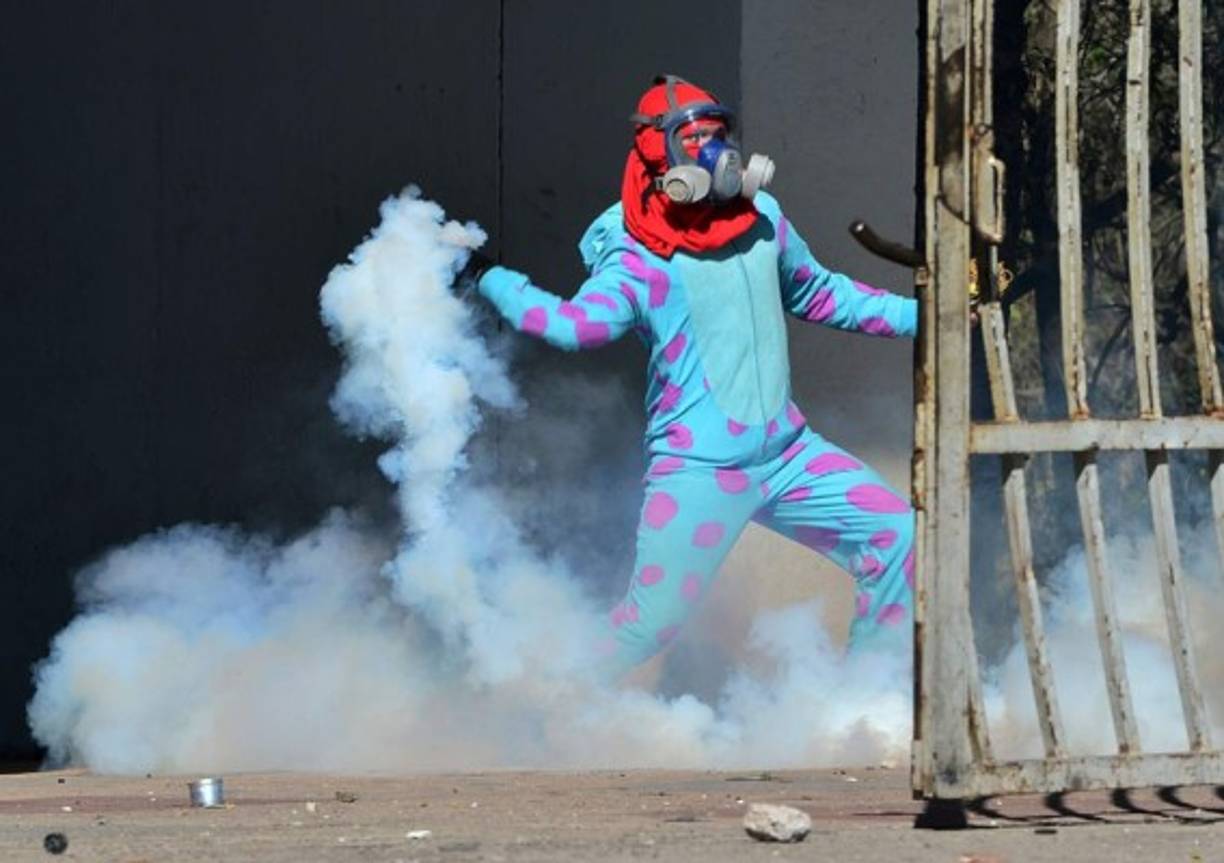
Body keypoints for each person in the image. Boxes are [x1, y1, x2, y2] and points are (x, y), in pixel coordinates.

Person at [464, 75, 916, 678]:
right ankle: (536, 704)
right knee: (649, 625)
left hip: (791, 457)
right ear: (659, 155)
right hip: (701, 472)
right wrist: (488, 277)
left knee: (897, 535)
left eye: (718, 133)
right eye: (693, 136)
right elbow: (574, 327)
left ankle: (866, 700)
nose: (714, 150)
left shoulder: (762, 219)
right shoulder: (636, 255)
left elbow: (821, 293)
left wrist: (928, 315)